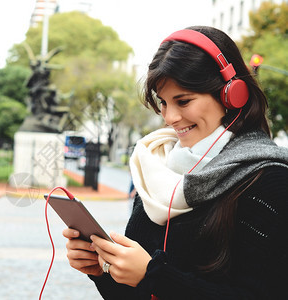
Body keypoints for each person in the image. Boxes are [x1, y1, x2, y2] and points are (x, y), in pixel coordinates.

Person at [62, 26, 288, 299]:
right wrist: (103, 271)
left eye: (183, 101)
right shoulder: (157, 169)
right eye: (163, 103)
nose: (170, 117)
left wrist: (153, 275)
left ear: (232, 94)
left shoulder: (270, 181)